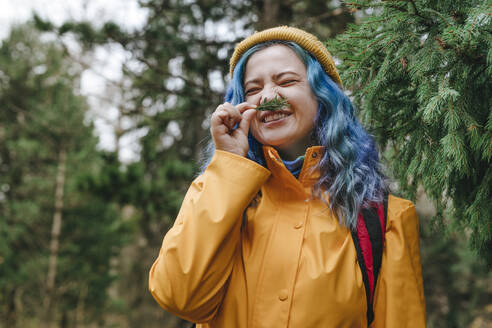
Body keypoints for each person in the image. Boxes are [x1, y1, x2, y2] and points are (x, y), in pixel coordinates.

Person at [149, 26, 426, 328]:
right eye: (253, 89)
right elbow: (179, 296)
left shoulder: (384, 220)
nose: (268, 96)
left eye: (286, 81)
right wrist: (228, 163)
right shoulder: (220, 191)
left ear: (323, 96)